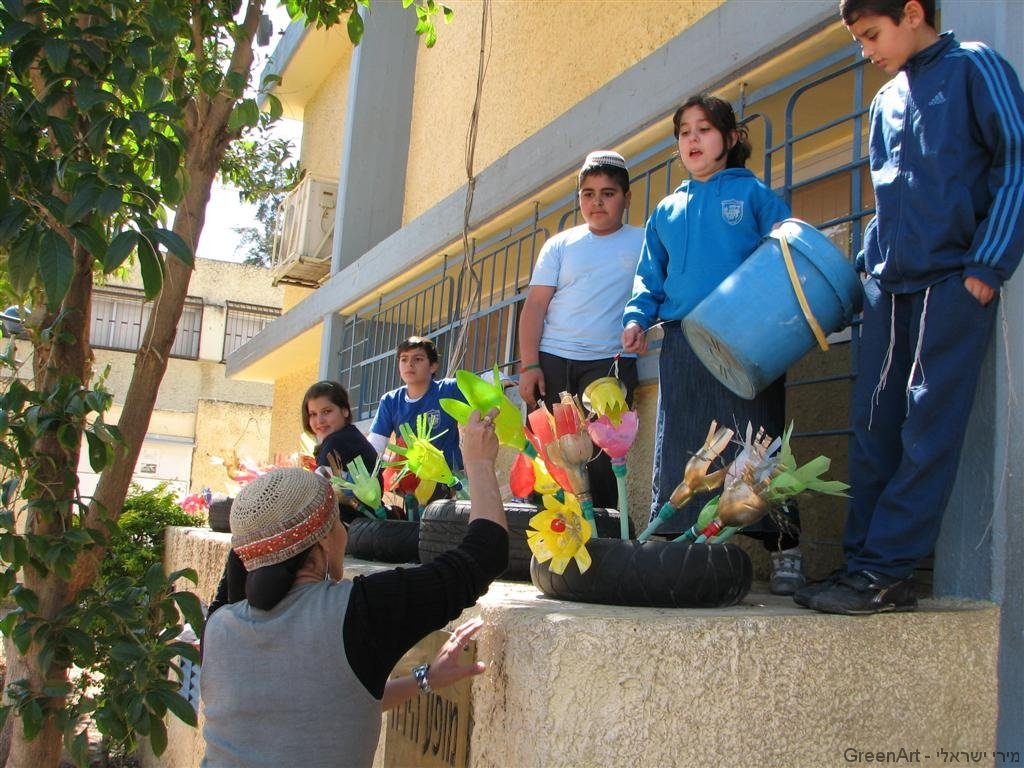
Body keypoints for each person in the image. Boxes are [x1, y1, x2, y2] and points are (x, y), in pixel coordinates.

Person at [799, 0, 1024, 615]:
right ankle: (860, 565)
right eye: (859, 39)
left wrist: (986, 266)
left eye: (872, 34)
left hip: (952, 282)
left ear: (913, 13)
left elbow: (1016, 162)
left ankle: (888, 572)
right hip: (888, 290)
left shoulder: (975, 66)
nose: (866, 51)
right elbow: (887, 196)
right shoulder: (885, 99)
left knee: (927, 429)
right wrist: (868, 270)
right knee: (872, 429)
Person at [201, 410, 508, 767]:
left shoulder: (219, 628)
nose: (345, 532)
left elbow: (322, 704)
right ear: (323, 540)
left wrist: (424, 679)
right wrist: (478, 461)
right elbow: (484, 555)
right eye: (339, 522)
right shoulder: (360, 611)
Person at [621, 93, 804, 595]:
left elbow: (784, 256)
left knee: (759, 439)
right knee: (683, 441)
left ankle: (784, 546)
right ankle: (674, 549)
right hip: (683, 341)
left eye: (704, 129)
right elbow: (648, 277)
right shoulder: (666, 210)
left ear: (731, 138)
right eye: (684, 132)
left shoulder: (754, 195)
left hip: (749, 337)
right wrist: (637, 318)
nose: (693, 139)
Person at [517, 150, 644, 509]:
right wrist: (530, 365)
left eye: (608, 193)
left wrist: (644, 327)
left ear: (626, 198)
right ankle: (544, 532)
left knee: (603, 459)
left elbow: (654, 295)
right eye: (588, 194)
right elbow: (535, 306)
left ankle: (603, 532)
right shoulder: (559, 245)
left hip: (610, 365)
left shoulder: (644, 242)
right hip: (552, 362)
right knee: (549, 457)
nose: (597, 202)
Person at [367, 336, 464, 475]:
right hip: (410, 482)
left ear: (433, 366)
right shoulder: (390, 400)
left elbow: (485, 382)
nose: (409, 364)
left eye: (418, 359)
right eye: (404, 359)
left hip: (450, 480)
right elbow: (374, 447)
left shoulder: (449, 389)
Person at [302, 380, 381, 521]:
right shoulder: (351, 436)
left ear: (345, 410)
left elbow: (318, 496)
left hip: (351, 525)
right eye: (313, 414)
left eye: (327, 411)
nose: (319, 420)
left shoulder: (336, 442)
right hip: (368, 521)